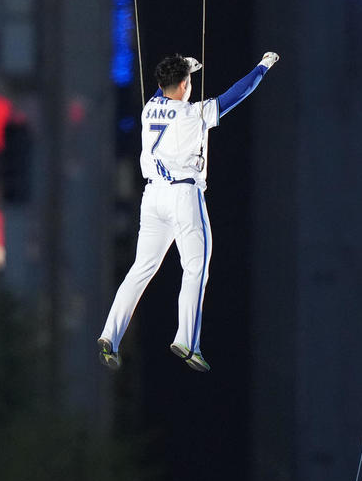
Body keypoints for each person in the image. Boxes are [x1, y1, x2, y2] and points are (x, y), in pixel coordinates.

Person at [98, 50, 279, 373]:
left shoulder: (150, 108)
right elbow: (236, 94)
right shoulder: (194, 114)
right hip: (183, 194)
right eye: (189, 80)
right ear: (184, 85)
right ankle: (186, 341)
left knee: (141, 269)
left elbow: (161, 90)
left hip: (153, 197)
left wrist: (183, 67)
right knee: (196, 267)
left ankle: (110, 335)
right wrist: (262, 67)